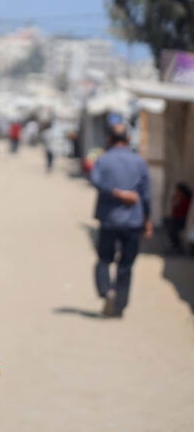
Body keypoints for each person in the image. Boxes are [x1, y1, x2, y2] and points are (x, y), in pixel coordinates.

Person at [90, 124, 152, 318]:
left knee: (104, 259)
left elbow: (96, 180)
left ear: (109, 139)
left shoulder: (103, 159)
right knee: (126, 265)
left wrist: (114, 192)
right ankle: (119, 305)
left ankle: (106, 291)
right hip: (133, 221)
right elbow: (146, 195)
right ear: (128, 140)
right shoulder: (139, 162)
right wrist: (147, 220)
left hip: (109, 220)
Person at [164, 182, 192, 253]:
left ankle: (177, 246)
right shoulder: (178, 197)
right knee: (168, 223)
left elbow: (177, 207)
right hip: (177, 218)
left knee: (172, 227)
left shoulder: (187, 199)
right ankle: (176, 245)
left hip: (182, 219)